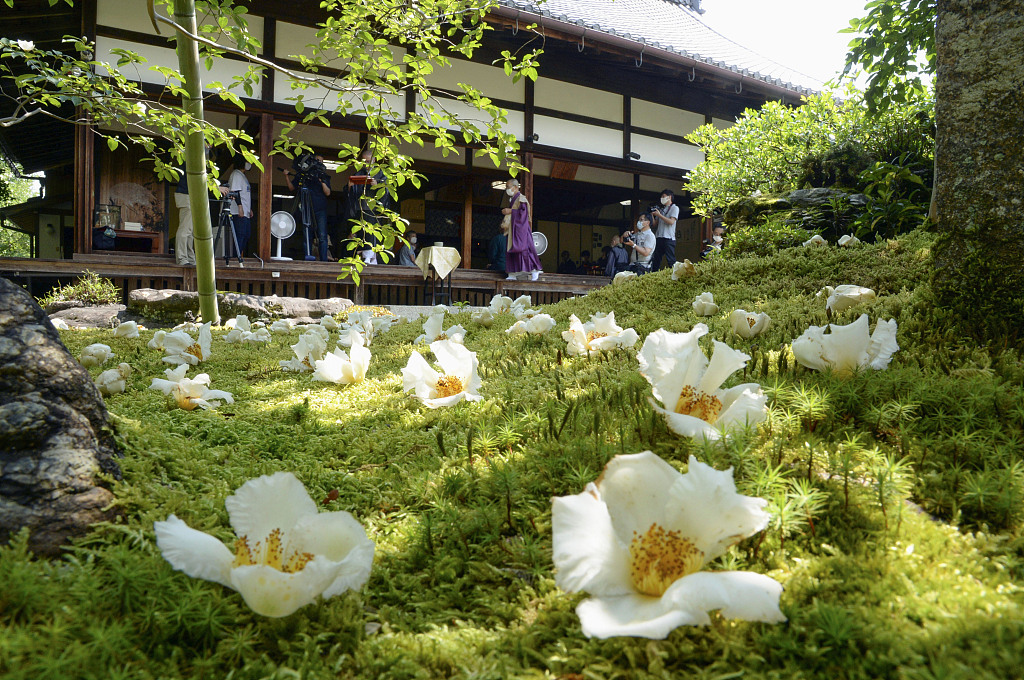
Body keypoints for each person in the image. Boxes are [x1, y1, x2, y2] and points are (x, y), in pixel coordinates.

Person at [282, 153, 331, 261]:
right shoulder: (303, 175)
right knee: (307, 234)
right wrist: (286, 176)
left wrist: (322, 181)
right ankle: (308, 257)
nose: (319, 163)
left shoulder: (323, 176)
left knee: (322, 235)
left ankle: (324, 260)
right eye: (317, 160)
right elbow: (292, 188)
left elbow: (327, 192)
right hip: (306, 208)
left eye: (321, 161)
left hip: (320, 209)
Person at [347, 148, 388, 265]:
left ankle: (371, 257)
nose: (366, 164)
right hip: (360, 208)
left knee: (372, 233)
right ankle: (363, 256)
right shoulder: (358, 174)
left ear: (374, 160)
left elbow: (386, 191)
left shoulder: (381, 174)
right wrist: (350, 187)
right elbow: (350, 194)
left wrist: (377, 185)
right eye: (364, 161)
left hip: (374, 209)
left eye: (368, 161)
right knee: (360, 232)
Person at [501, 178, 542, 281]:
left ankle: (534, 270)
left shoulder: (521, 198)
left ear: (515, 187)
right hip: (514, 230)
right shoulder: (513, 199)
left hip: (521, 230)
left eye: (508, 187)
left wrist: (510, 211)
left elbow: (523, 214)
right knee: (512, 250)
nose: (507, 190)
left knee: (524, 250)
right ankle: (512, 274)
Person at [219, 155, 252, 259]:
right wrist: (240, 207)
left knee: (246, 235)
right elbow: (235, 192)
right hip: (237, 211)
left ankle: (237, 256)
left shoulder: (243, 176)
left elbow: (244, 194)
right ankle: (234, 257)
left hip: (245, 211)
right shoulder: (236, 174)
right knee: (240, 235)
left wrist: (249, 209)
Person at [650, 189, 679, 271]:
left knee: (671, 260)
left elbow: (671, 222)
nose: (662, 198)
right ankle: (654, 274)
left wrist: (659, 215)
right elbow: (655, 224)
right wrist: (652, 215)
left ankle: (675, 274)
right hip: (659, 237)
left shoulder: (674, 208)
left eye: (663, 196)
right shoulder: (661, 209)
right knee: (656, 259)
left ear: (669, 197)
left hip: (669, 238)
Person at [173, 166, 195, 265]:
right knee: (185, 229)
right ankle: (182, 258)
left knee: (189, 231)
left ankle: (190, 258)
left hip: (187, 195)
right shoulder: (191, 158)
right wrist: (216, 187)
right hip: (186, 195)